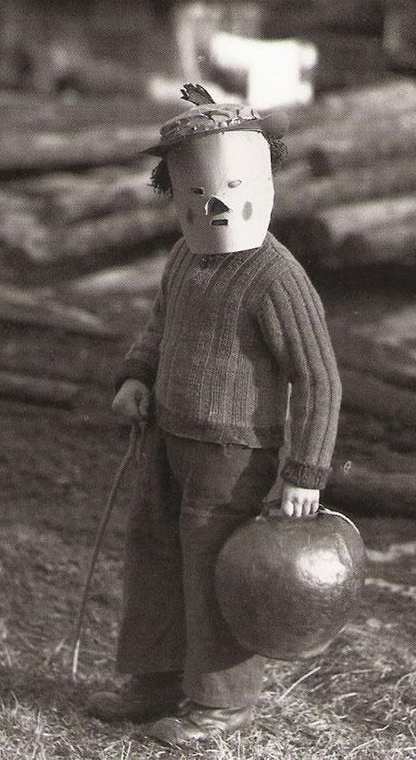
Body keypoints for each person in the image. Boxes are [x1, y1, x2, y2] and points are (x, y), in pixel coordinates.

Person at [89, 84, 342, 746]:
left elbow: (317, 377)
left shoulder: (276, 278)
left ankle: (221, 702)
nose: (215, 204)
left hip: (234, 457)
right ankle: (154, 678)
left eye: (229, 187)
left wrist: (304, 472)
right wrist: (137, 376)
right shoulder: (185, 256)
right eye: (196, 192)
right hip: (167, 438)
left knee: (216, 571)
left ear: (262, 181)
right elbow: (160, 326)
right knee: (154, 558)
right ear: (173, 195)